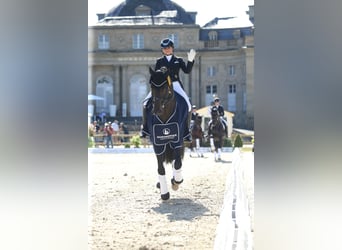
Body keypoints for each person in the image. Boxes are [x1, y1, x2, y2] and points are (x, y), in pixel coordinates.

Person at [141, 38, 196, 141]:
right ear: (162, 50)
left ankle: (186, 131)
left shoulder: (178, 60)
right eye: (164, 48)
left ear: (172, 48)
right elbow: (156, 74)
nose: (166, 50)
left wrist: (190, 61)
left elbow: (187, 71)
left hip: (175, 84)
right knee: (145, 103)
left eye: (168, 48)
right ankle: (145, 128)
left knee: (188, 105)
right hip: (162, 85)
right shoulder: (159, 61)